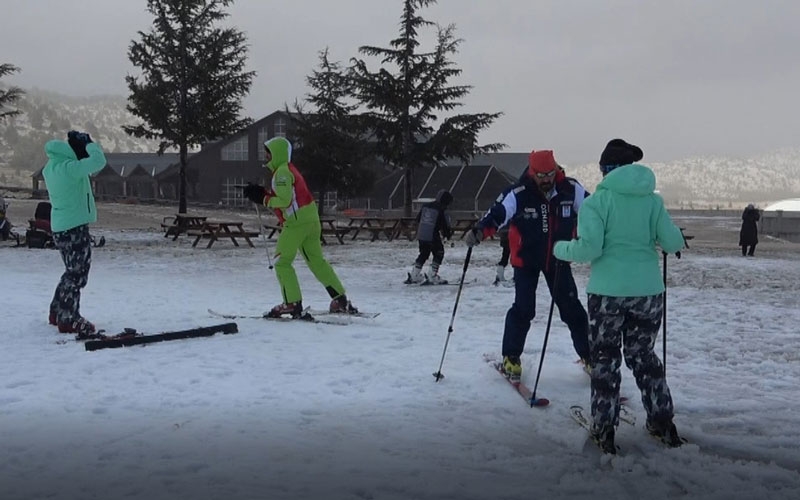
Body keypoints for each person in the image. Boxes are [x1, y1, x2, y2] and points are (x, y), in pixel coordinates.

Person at [553, 138, 686, 454]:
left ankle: (604, 429)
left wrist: (561, 248)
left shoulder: (597, 203)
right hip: (648, 291)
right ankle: (662, 422)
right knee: (643, 355)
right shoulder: (652, 201)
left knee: (605, 359)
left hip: (608, 292)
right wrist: (676, 236)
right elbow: (671, 243)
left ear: (606, 170)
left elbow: (590, 248)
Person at [465, 149, 592, 382]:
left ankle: (589, 356)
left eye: (550, 173)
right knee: (524, 309)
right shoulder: (519, 192)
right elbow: (498, 214)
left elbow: (595, 211)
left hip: (559, 259)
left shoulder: (571, 189)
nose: (546, 179)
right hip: (526, 260)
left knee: (572, 309)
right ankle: (511, 357)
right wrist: (480, 231)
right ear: (532, 172)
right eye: (541, 174)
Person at [242, 137, 358, 318]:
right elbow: (289, 195)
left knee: (282, 262)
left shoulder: (281, 172)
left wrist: (263, 199)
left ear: (277, 153)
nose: (266, 155)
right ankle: (340, 299)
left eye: (269, 152)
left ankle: (291, 303)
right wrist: (261, 192)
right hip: (311, 219)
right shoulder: (288, 170)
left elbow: (285, 200)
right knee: (317, 261)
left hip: (297, 223)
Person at [42, 131, 107, 336]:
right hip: (74, 226)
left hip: (60, 226)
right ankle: (68, 319)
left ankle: (57, 311)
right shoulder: (69, 168)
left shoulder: (50, 168)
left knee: (70, 271)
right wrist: (89, 144)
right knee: (77, 274)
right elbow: (99, 161)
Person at [406, 189, 453, 284]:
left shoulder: (425, 206)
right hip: (432, 235)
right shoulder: (441, 210)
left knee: (424, 253)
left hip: (421, 234)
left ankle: (415, 274)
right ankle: (432, 275)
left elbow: (418, 219)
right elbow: (445, 225)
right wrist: (447, 235)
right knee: (439, 253)